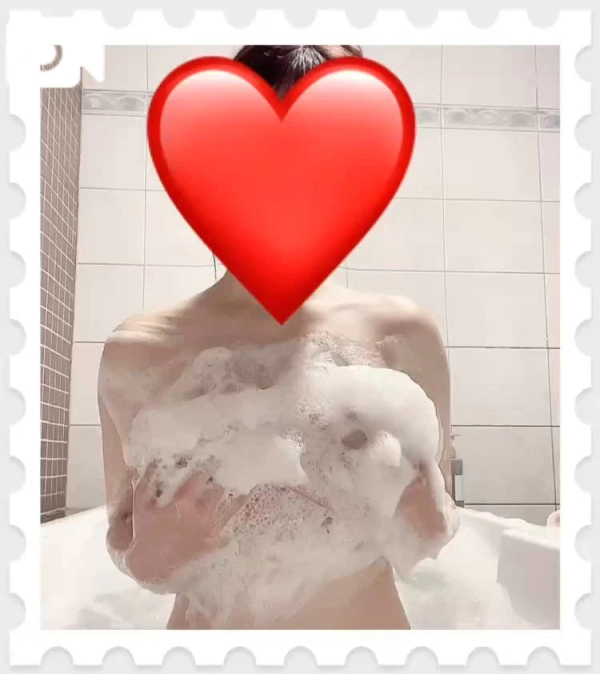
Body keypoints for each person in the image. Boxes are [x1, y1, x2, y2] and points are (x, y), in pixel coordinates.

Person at [98, 45, 459, 630]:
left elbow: (436, 520)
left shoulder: (403, 334)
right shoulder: (139, 352)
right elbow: (122, 533)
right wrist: (154, 555)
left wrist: (421, 518)